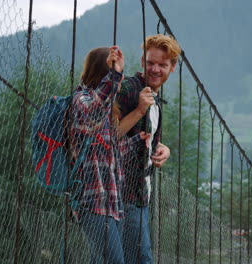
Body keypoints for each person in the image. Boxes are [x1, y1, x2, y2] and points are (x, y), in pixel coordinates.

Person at [71, 46, 149, 264]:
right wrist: (115, 75)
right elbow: (92, 112)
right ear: (104, 72)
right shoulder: (80, 99)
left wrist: (137, 142)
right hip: (92, 202)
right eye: (114, 73)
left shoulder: (107, 114)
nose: (119, 81)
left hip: (113, 204)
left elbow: (110, 152)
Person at [116, 34, 181, 264]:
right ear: (142, 61)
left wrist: (163, 149)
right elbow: (104, 137)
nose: (155, 69)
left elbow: (146, 140)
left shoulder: (154, 101)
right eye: (151, 62)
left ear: (172, 67)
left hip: (142, 196)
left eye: (162, 65)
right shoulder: (127, 90)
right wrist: (138, 111)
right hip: (122, 196)